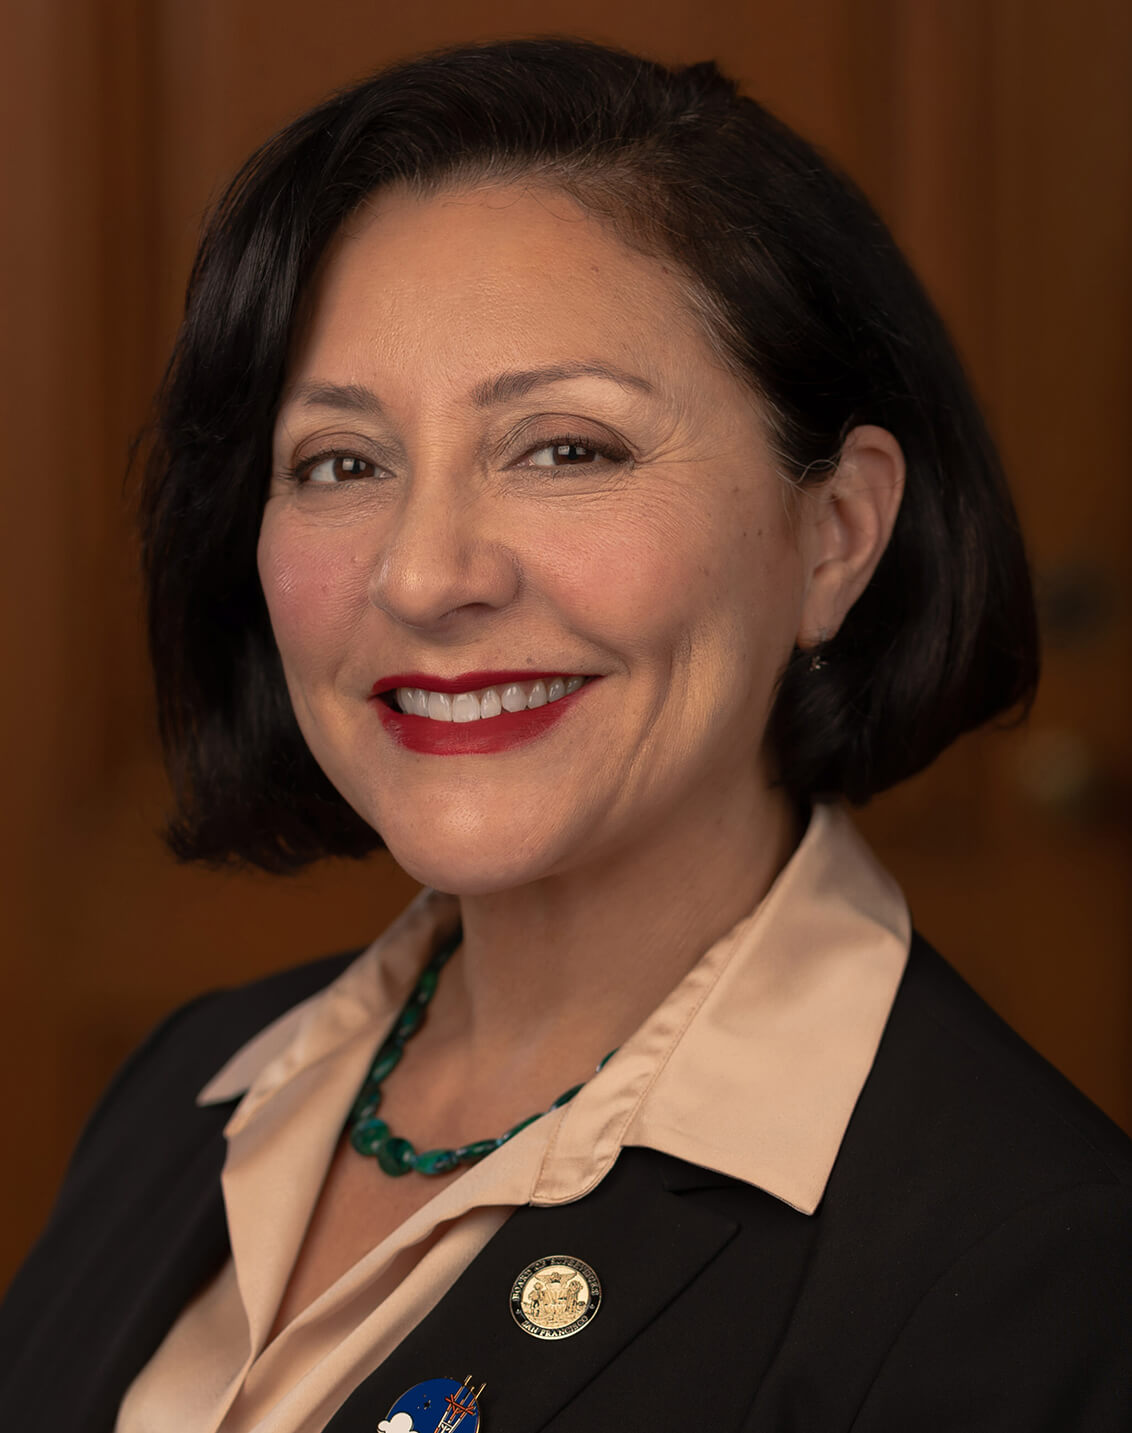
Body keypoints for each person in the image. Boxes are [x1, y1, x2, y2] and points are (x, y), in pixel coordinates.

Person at [2, 35, 1129, 1433]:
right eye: (341, 462)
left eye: (565, 449)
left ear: (835, 533)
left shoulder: (1030, 1269)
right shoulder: (192, 1083)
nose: (425, 576)